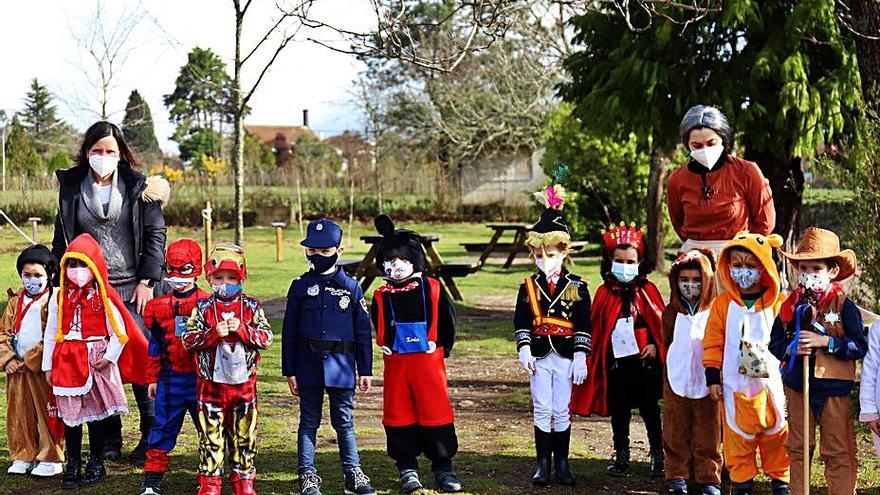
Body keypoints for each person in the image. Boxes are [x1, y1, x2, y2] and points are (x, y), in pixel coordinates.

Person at [51, 121, 169, 461]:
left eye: (110, 151)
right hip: (90, 290)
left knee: (140, 357)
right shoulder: (71, 187)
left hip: (134, 286)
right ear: (87, 153)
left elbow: (155, 236)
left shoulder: (139, 187)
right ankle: (108, 438)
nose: (103, 157)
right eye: (97, 151)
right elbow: (64, 237)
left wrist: (148, 281)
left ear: (121, 154)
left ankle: (150, 434)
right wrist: (60, 281)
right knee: (99, 360)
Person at [42, 233, 150, 489]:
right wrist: (48, 365)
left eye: (83, 265)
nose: (77, 271)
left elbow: (120, 332)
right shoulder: (59, 298)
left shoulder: (103, 298)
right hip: (67, 362)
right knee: (71, 415)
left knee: (95, 416)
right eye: (72, 264)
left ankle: (96, 461)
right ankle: (73, 462)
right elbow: (50, 333)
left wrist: (108, 357)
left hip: (95, 362)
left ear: (95, 267)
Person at [768, 227, 866, 495]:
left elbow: (859, 346)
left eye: (816, 269)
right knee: (798, 447)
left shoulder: (844, 305)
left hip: (834, 390)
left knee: (838, 448)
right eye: (804, 268)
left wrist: (828, 343)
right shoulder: (790, 305)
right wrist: (790, 349)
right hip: (798, 386)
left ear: (832, 271)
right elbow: (774, 343)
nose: (809, 275)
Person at [282, 218, 376, 495]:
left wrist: (365, 369)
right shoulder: (299, 286)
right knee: (308, 422)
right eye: (312, 251)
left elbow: (362, 332)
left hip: (342, 367)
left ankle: (353, 473)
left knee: (344, 421)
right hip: (307, 365)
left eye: (325, 252)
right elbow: (289, 331)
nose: (317, 256)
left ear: (339, 250)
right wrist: (290, 370)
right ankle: (308, 476)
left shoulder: (351, 287)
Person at [370, 214, 463, 494]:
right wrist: (384, 341)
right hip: (397, 364)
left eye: (401, 259)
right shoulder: (381, 294)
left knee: (435, 410)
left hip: (428, 363)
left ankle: (443, 468)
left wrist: (443, 346)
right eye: (389, 260)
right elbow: (379, 322)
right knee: (398, 412)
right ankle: (407, 467)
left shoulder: (433, 288)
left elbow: (449, 319)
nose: (396, 265)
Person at [571, 222, 666, 478]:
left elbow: (661, 325)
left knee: (650, 411)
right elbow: (597, 329)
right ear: (609, 261)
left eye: (630, 261)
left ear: (640, 262)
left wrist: (654, 346)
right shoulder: (603, 293)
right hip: (616, 366)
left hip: (645, 366)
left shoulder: (648, 291)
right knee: (620, 413)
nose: (625, 266)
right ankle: (621, 455)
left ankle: (658, 454)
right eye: (619, 260)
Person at [513, 188, 591, 487]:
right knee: (542, 407)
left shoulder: (576, 285)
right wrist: (523, 348)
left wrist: (582, 355)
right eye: (538, 254)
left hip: (567, 354)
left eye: (550, 254)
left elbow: (583, 321)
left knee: (562, 409)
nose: (544, 259)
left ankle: (563, 463)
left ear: (563, 252)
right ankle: (542, 465)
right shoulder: (528, 286)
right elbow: (521, 320)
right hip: (538, 354)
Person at [702, 232, 790, 495]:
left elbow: (790, 342)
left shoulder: (779, 304)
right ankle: (742, 484)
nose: (743, 272)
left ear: (765, 268)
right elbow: (712, 342)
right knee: (737, 436)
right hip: (734, 385)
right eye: (737, 265)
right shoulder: (722, 305)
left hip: (774, 386)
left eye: (750, 266)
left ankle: (782, 482)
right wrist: (712, 378)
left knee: (778, 434)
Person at [182, 243, 273, 495]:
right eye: (219, 277)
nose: (225, 282)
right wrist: (211, 335)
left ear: (242, 277)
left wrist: (243, 330)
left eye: (232, 277)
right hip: (210, 387)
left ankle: (244, 480)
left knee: (245, 435)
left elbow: (266, 338)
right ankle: (210, 482)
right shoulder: (201, 308)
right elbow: (188, 339)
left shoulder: (252, 307)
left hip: (244, 387)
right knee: (211, 437)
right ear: (208, 277)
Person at [139, 239, 210, 495]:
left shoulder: (207, 303)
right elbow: (155, 345)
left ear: (197, 269)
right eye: (172, 269)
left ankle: (209, 475)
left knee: (209, 427)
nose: (177, 276)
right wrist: (153, 378)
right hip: (170, 377)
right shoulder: (158, 307)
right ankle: (152, 477)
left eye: (184, 270)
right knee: (162, 426)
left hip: (203, 378)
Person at [667, 105, 776, 262]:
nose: (705, 150)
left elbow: (765, 222)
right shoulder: (677, 179)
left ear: (723, 139)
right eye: (697, 146)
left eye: (711, 143)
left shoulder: (746, 171)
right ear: (688, 145)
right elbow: (678, 222)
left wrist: (744, 252)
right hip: (694, 261)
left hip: (738, 257)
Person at [0, 244, 64, 477]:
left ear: (51, 275)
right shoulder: (15, 301)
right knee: (19, 414)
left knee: (47, 413)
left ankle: (51, 456)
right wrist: (8, 359)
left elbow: (55, 335)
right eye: (27, 275)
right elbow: (3, 333)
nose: (31, 280)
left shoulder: (54, 300)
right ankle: (23, 454)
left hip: (42, 369)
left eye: (38, 275)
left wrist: (32, 360)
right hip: (16, 370)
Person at [661, 249, 722, 495]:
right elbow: (666, 341)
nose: (690, 286)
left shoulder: (716, 311)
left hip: (708, 380)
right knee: (676, 428)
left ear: (707, 281)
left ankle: (709, 476)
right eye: (684, 280)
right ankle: (677, 474)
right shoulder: (671, 312)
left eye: (697, 281)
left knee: (708, 429)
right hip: (676, 378)